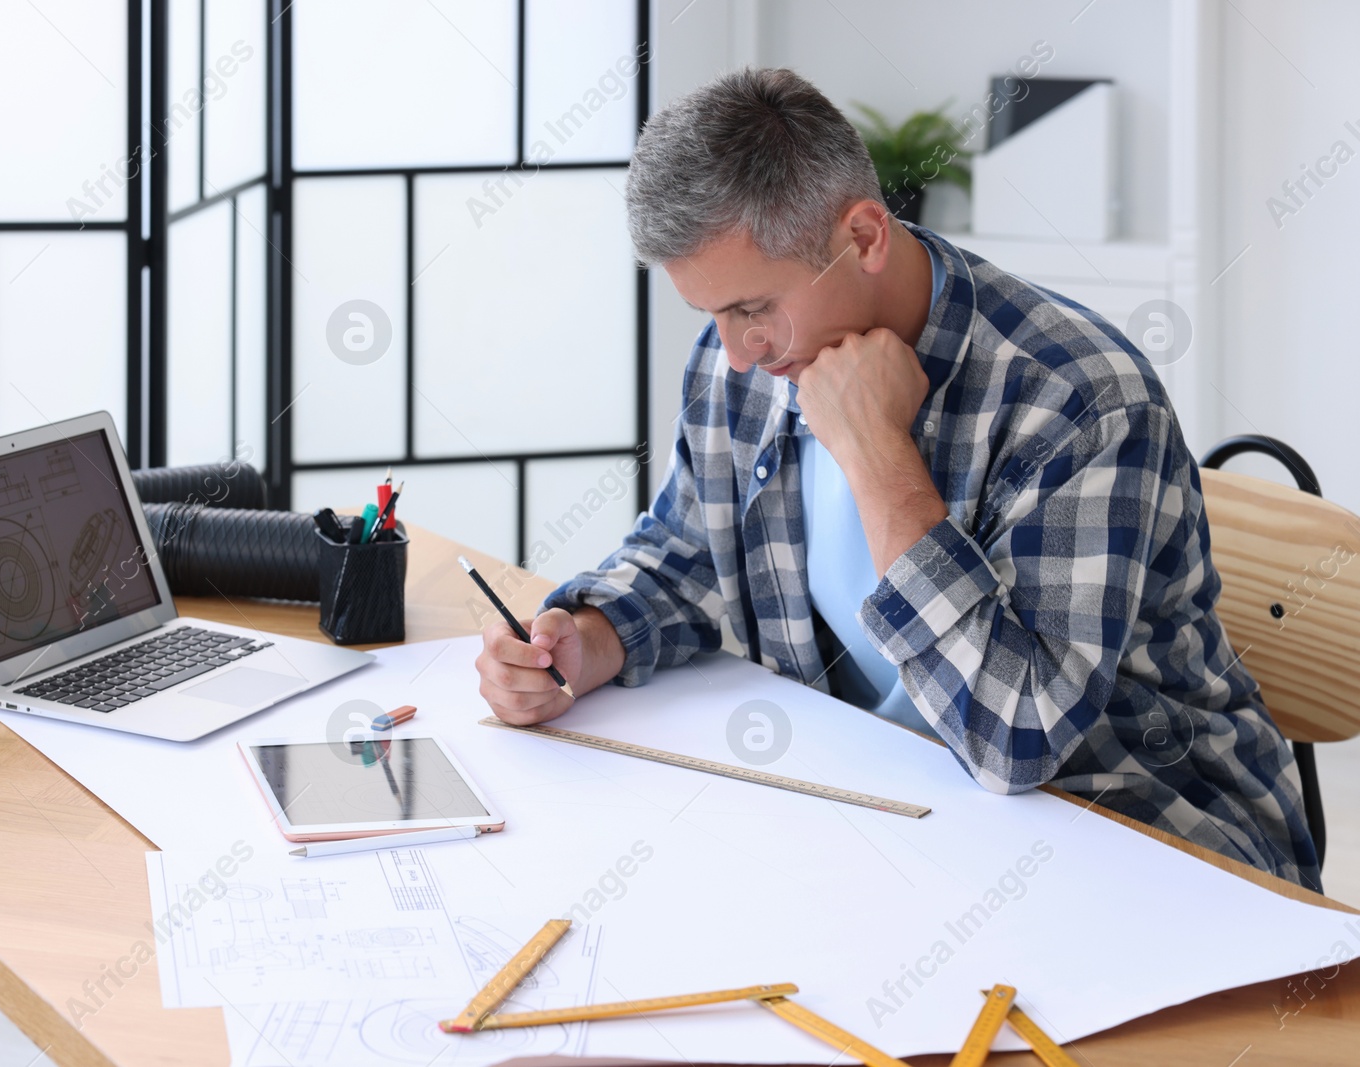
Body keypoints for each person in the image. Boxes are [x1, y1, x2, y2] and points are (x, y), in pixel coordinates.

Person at [473, 68, 1318, 890]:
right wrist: (588, 637)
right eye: (713, 315)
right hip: (901, 825)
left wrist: (880, 456)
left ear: (867, 236)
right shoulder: (750, 364)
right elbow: (692, 552)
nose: (735, 352)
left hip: (1150, 842)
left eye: (753, 308)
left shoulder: (1078, 401)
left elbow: (1018, 737)